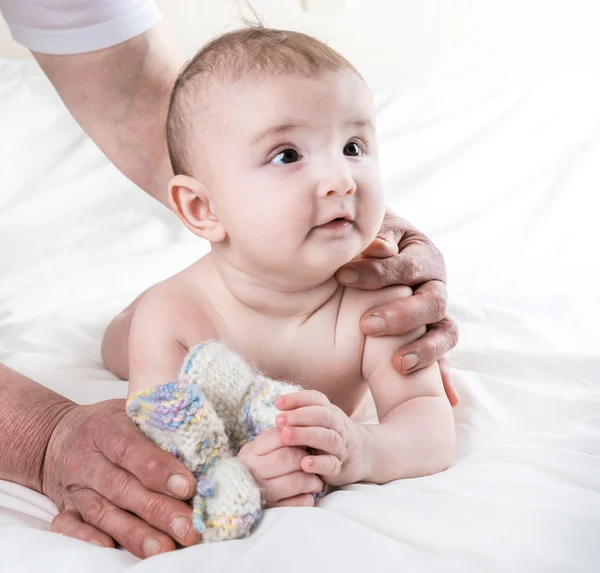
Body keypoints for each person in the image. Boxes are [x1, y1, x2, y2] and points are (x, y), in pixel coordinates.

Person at [0, 0, 459, 560]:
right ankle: (124, 323)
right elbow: (166, 450)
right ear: (200, 208)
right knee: (126, 339)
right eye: (288, 154)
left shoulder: (378, 301)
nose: (341, 177)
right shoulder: (176, 316)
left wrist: (361, 448)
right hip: (178, 312)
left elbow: (428, 428)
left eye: (354, 147)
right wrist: (244, 478)